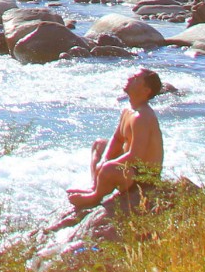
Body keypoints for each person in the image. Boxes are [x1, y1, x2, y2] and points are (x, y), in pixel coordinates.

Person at [66, 68, 165, 211]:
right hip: (131, 167)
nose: (130, 79)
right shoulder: (128, 110)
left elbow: (136, 156)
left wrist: (107, 165)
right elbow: (117, 139)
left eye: (136, 79)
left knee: (108, 168)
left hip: (143, 178)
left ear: (146, 91)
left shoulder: (142, 117)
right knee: (99, 145)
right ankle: (95, 186)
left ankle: (95, 197)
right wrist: (105, 159)